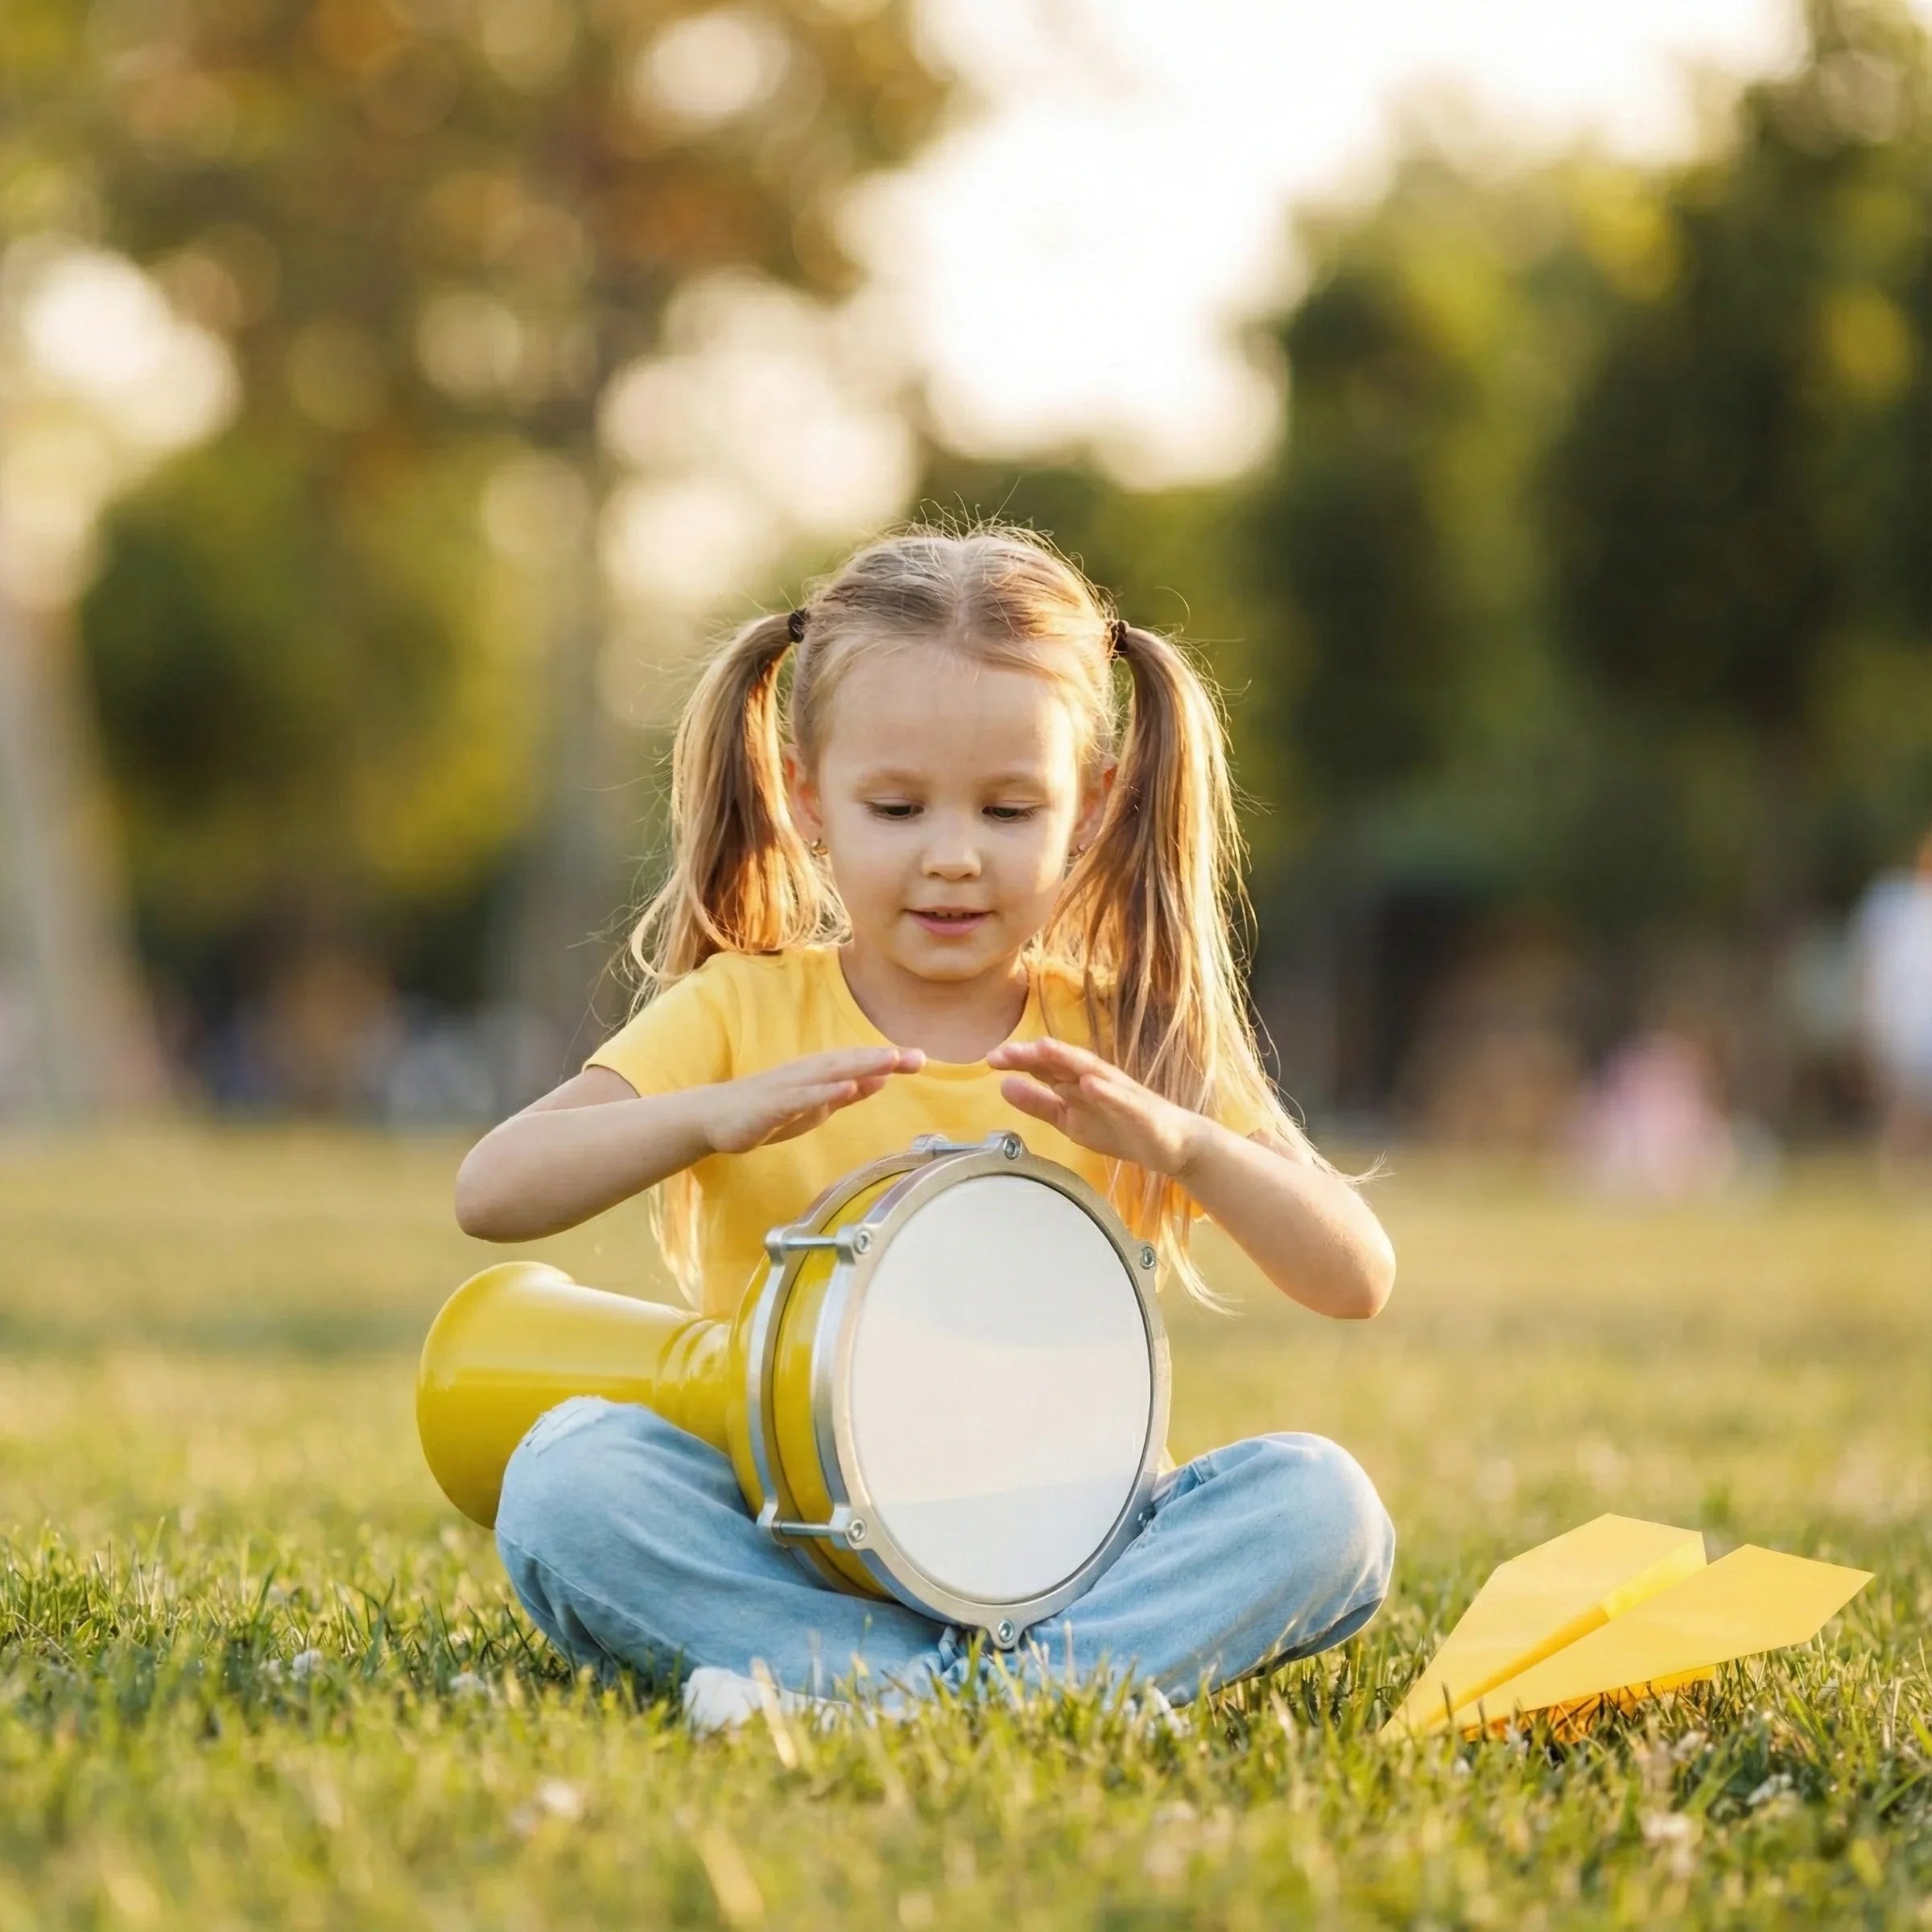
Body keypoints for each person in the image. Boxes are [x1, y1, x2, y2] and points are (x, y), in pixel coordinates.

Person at [453, 525, 1397, 1730]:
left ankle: (874, 1698)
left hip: (1068, 1548)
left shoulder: (1127, 1036)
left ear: (1093, 805)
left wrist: (1188, 1144)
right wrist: (710, 1113)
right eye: (896, 807)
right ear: (807, 799)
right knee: (564, 1478)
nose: (952, 858)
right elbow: (494, 1190)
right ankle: (1038, 1699)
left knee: (1322, 1506)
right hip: (792, 1539)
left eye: (1009, 811)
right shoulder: (741, 1008)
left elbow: (1357, 1276)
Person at [1849, 826, 1932, 1174]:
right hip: (1907, 1028)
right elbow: (1873, 973)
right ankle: (1899, 1166)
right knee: (1910, 1103)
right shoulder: (1897, 909)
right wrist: (1868, 1021)